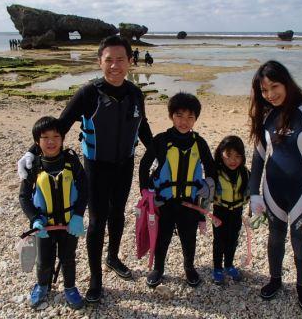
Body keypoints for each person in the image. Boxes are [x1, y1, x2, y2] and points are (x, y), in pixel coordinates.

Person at [17, 35, 153, 303]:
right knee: (97, 221)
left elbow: (143, 126)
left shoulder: (136, 93)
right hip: (95, 168)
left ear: (130, 61)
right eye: (109, 60)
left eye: (121, 59)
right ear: (99, 61)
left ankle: (113, 258)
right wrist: (31, 152)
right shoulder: (89, 93)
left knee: (118, 216)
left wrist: (160, 150)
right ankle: (95, 280)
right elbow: (61, 124)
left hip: (125, 165)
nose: (115, 65)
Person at [248, 60, 302, 314]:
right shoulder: (265, 114)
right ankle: (275, 280)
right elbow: (257, 158)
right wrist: (254, 193)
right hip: (272, 191)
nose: (270, 94)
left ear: (286, 82)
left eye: (274, 86)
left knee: (300, 242)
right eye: (264, 91)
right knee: (275, 239)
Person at [139, 92, 216, 288]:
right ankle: (158, 268)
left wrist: (208, 188)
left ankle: (189, 267)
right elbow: (144, 164)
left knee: (188, 237)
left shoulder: (200, 143)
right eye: (179, 115)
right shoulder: (161, 140)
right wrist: (145, 191)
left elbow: (211, 168)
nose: (184, 121)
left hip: (189, 202)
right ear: (171, 116)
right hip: (164, 201)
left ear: (196, 119)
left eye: (190, 117)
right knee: (162, 237)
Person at [18, 116, 88, 310]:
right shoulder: (33, 167)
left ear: (62, 139)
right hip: (44, 226)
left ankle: (70, 288)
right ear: (37, 142)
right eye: (45, 137)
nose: (51, 141)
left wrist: (78, 216)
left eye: (56, 136)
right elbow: (23, 197)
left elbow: (84, 190)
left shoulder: (72, 163)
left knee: (68, 259)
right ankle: (41, 285)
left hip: (69, 224)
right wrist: (34, 220)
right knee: (44, 260)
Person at [211, 135, 250, 285]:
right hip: (220, 212)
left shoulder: (245, 173)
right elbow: (207, 195)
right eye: (229, 156)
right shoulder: (215, 173)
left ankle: (229, 264)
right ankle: (217, 268)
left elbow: (250, 192)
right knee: (219, 241)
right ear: (221, 154)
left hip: (236, 212)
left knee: (233, 240)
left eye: (237, 156)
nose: (233, 160)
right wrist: (201, 216)